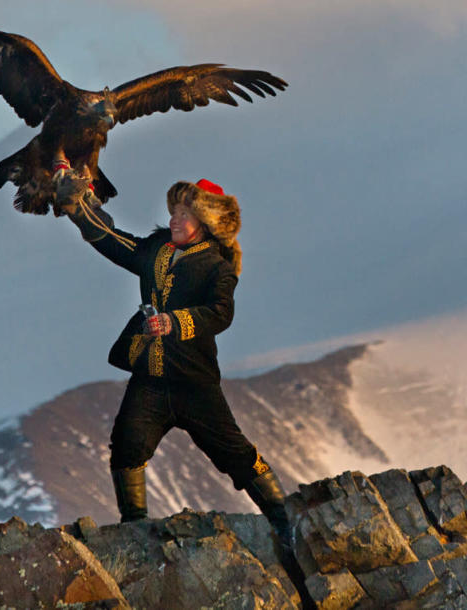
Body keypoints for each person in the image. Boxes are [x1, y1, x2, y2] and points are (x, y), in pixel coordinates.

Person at [53, 168, 292, 546]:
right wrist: (77, 209)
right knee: (126, 447)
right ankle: (134, 532)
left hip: (195, 383)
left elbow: (221, 314)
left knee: (236, 455)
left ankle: (285, 524)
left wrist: (174, 322)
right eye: (175, 212)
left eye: (185, 213)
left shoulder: (217, 266)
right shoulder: (156, 251)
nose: (175, 219)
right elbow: (115, 241)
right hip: (150, 378)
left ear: (206, 221)